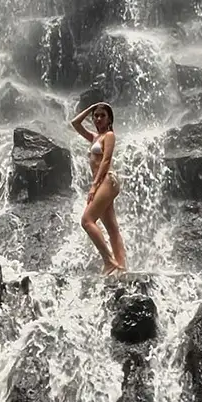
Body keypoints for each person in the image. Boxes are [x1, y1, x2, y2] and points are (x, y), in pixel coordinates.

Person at [69, 102, 127, 275]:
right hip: (104, 182)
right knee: (112, 228)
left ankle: (109, 261)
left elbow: (106, 160)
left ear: (109, 118)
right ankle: (121, 267)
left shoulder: (109, 135)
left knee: (86, 220)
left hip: (107, 180)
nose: (98, 118)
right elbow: (75, 123)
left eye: (102, 115)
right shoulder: (95, 137)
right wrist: (92, 107)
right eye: (96, 116)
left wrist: (94, 186)